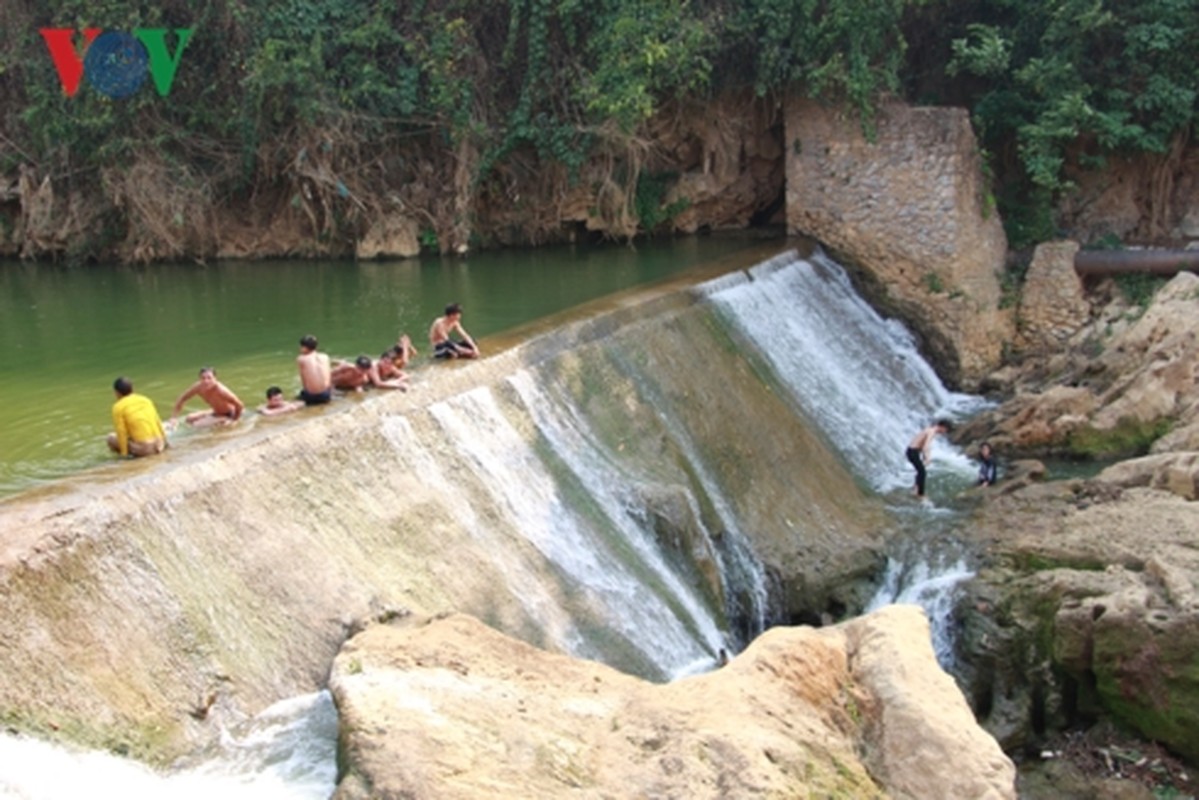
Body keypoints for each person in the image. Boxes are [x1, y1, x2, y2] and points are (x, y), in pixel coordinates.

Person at [107, 376, 167, 458]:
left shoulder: (118, 407)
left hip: (145, 449)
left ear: (117, 392)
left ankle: (134, 458)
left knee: (111, 438)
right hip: (160, 444)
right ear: (132, 389)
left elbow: (121, 433)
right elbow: (158, 421)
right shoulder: (145, 400)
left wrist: (124, 455)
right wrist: (165, 443)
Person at [169, 366, 244, 428]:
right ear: (200, 379)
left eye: (209, 378)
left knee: (197, 425)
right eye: (203, 378)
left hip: (229, 414)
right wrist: (174, 417)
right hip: (216, 412)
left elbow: (239, 404)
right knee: (189, 419)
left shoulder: (221, 390)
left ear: (215, 378)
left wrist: (235, 420)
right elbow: (182, 398)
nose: (206, 381)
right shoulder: (198, 387)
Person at [906, 419, 952, 498]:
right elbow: (926, 446)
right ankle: (920, 494)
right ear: (943, 427)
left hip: (912, 451)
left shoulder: (929, 429)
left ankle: (915, 488)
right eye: (946, 430)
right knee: (922, 472)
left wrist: (924, 456)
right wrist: (928, 458)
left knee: (920, 470)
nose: (944, 432)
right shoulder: (932, 431)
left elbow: (922, 444)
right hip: (913, 452)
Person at [332, 355, 407, 392]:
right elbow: (330, 374)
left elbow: (356, 386)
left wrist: (358, 391)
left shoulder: (364, 379)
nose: (360, 372)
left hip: (341, 387)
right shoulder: (346, 368)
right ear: (356, 366)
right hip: (334, 383)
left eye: (364, 370)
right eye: (359, 368)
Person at [297, 334, 332, 405]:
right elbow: (329, 376)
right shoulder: (325, 357)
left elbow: (304, 381)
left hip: (312, 396)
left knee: (299, 397)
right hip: (326, 395)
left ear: (305, 347)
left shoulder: (301, 359)